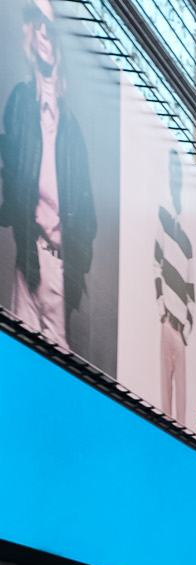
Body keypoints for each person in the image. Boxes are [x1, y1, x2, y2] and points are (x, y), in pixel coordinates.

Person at [1, 0, 97, 351]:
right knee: (19, 365)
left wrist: (73, 267)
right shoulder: (21, 103)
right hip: (27, 260)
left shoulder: (71, 129)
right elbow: (13, 184)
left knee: (56, 367)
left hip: (58, 269)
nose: (43, 32)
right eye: (36, 21)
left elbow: (87, 215)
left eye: (50, 25)